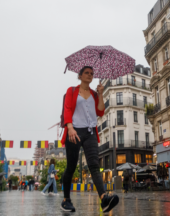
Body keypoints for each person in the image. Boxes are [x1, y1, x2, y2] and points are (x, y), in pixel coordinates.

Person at [60, 66, 119, 213]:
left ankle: (104, 199)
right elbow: (67, 108)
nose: (90, 75)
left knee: (94, 165)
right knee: (71, 167)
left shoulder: (94, 93)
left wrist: (100, 94)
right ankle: (66, 199)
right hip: (74, 131)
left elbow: (100, 111)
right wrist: (70, 127)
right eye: (86, 73)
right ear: (80, 76)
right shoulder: (71, 91)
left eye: (92, 73)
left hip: (90, 132)